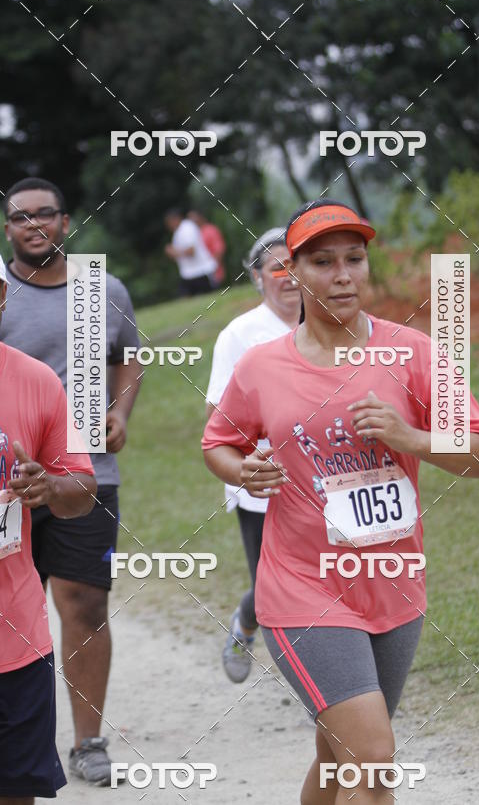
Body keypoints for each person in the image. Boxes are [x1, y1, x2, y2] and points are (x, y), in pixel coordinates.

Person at [202, 200, 479, 804]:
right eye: (322, 262)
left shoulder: (412, 352)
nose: (342, 275)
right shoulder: (262, 366)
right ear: (291, 273)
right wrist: (244, 470)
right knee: (372, 760)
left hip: (393, 582)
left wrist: (411, 437)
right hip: (302, 585)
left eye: (354, 260)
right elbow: (218, 442)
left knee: (337, 753)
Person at [0, 177, 142, 787]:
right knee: (0, 610)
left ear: (65, 221)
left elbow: (129, 356)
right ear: (7, 229)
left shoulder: (99, 289)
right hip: (3, 484)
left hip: (87, 474)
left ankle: (87, 741)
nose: (34, 225)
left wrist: (120, 413)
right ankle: (1, 737)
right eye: (20, 217)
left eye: (45, 214)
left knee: (84, 604)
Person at [0, 234, 96, 803]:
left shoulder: (39, 382)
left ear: (3, 301)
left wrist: (49, 487)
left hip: (18, 643)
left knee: (14, 793)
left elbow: (84, 492)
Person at [205, 228, 300, 682]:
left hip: (331, 479)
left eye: (295, 264)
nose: (288, 275)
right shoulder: (239, 335)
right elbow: (216, 420)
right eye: (276, 267)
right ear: (258, 278)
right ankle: (245, 625)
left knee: (331, 576)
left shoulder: (331, 324)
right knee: (271, 586)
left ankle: (330, 679)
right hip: (264, 484)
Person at [164, 209, 217, 296]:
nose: (168, 226)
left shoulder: (187, 228)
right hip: (189, 274)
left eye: (169, 222)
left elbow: (191, 251)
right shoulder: (177, 232)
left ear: (175, 219)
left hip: (201, 272)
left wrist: (173, 252)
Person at [188, 209, 227, 287]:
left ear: (201, 217)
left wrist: (215, 268)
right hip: (199, 273)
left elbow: (219, 250)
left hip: (212, 272)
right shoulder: (193, 234)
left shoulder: (210, 230)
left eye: (193, 218)